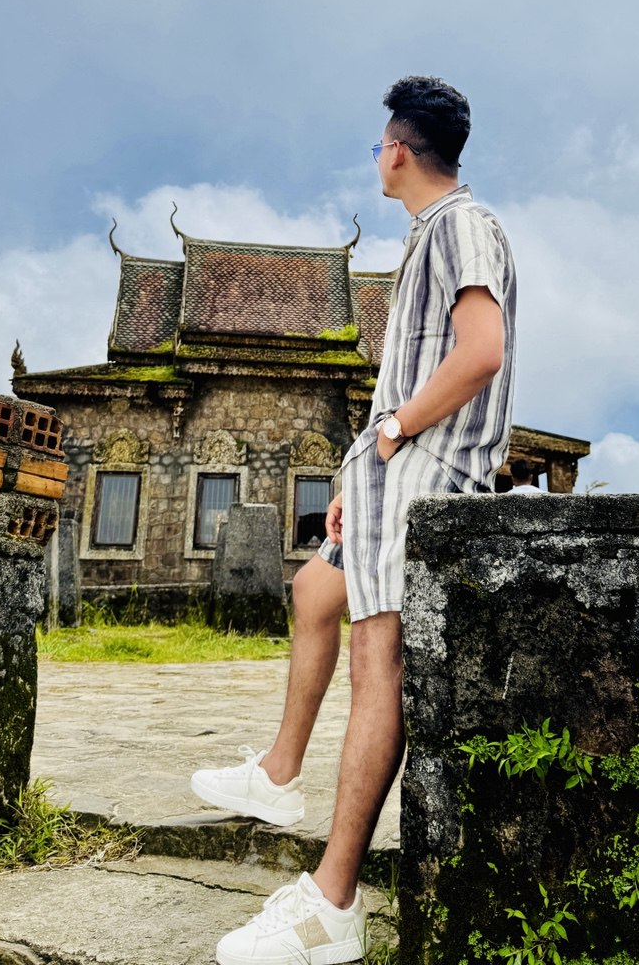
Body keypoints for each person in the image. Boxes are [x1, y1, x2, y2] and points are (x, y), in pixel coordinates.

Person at [200, 76, 517, 965]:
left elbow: (481, 352)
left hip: (420, 471)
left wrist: (392, 435)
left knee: (379, 664)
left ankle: (332, 902)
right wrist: (353, 471)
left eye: (379, 142)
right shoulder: (429, 235)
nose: (376, 155)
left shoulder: (461, 224)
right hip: (382, 474)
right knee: (313, 589)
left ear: (398, 151)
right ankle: (279, 774)